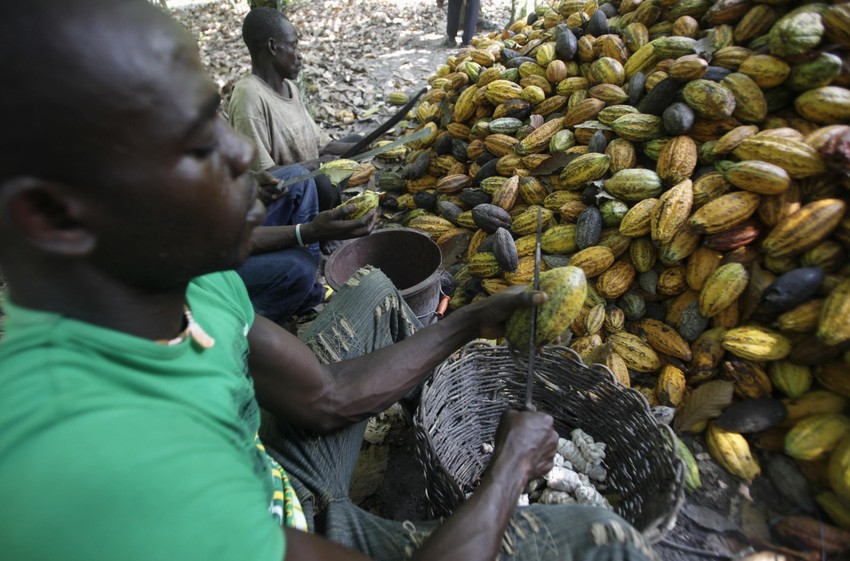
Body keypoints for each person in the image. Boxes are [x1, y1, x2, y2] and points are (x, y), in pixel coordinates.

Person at [0, 2, 660, 561]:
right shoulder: (105, 470)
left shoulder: (181, 279)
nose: (238, 154)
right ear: (57, 216)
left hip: (276, 481)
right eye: (195, 144)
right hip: (271, 525)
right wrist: (511, 463)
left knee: (372, 291)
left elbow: (325, 395)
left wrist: (467, 320)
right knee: (600, 536)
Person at [229, 7, 358, 211]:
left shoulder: (290, 88)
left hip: (311, 172)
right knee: (325, 183)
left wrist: (372, 144)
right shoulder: (248, 95)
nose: (299, 56)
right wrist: (318, 164)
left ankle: (326, 202)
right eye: (293, 46)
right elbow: (268, 176)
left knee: (357, 142)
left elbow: (322, 145)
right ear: (272, 46)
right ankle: (320, 232)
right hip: (287, 194)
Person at [238, 171, 376, 326]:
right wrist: (307, 232)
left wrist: (244, 181)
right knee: (299, 266)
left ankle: (310, 287)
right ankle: (260, 319)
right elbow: (228, 240)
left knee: (299, 179)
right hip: (213, 264)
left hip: (224, 227)